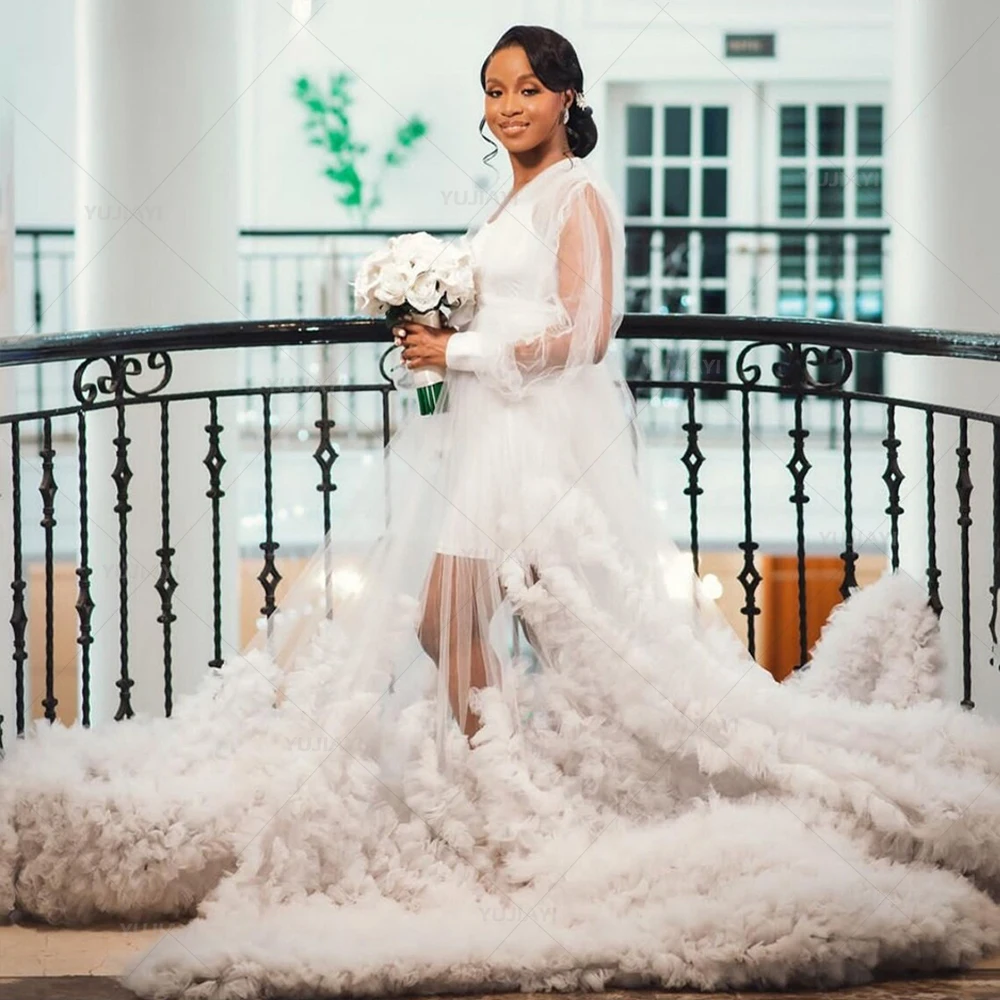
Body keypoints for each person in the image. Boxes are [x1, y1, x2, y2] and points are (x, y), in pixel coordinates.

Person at [2, 24, 1000, 1000]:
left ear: (566, 96)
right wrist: (436, 325)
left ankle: (533, 814)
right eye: (493, 89)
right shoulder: (509, 195)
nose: (507, 106)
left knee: (557, 633)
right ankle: (513, 794)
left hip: (531, 447)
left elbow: (587, 332)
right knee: (455, 622)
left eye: (526, 88)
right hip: (478, 437)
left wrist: (464, 352)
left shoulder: (579, 193)